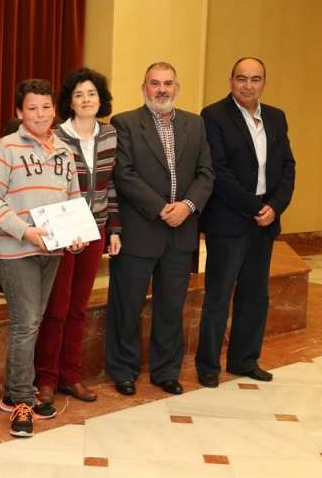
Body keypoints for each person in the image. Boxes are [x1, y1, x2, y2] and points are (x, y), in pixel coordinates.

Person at [106, 62, 214, 397]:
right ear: (144, 88)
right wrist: (161, 208)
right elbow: (124, 173)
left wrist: (187, 206)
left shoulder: (196, 124)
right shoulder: (124, 123)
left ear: (177, 88)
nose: (162, 89)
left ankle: (166, 371)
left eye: (168, 83)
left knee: (171, 307)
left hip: (181, 232)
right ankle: (123, 371)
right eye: (155, 83)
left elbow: (206, 173)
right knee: (127, 306)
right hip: (140, 231)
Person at [0, 78, 84, 438]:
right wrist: (25, 231)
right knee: (26, 322)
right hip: (16, 250)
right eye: (32, 108)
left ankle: (14, 391)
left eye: (46, 107)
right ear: (19, 112)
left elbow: (73, 199)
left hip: (52, 252)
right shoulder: (6, 148)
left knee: (34, 321)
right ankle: (22, 401)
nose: (40, 114)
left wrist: (75, 237)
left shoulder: (65, 151)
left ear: (55, 110)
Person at [196, 57, 296, 387]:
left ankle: (244, 359)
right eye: (242, 78)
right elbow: (219, 172)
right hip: (229, 221)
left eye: (255, 79)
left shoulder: (277, 117)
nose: (248, 85)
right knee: (218, 296)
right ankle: (208, 366)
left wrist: (275, 207)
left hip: (265, 222)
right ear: (231, 81)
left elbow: (288, 167)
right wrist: (255, 207)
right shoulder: (213, 116)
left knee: (255, 295)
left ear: (264, 83)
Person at [34, 68, 120, 404]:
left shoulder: (110, 135)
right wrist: (67, 230)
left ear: (101, 99)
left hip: (96, 230)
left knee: (79, 308)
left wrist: (114, 229)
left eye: (92, 94)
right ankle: (46, 378)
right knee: (57, 307)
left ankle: (71, 375)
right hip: (63, 231)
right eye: (79, 94)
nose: (86, 100)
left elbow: (112, 186)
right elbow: (50, 188)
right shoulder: (56, 137)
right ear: (69, 101)